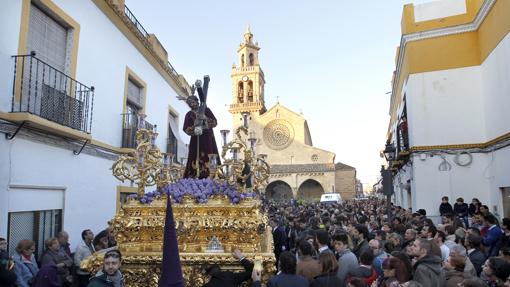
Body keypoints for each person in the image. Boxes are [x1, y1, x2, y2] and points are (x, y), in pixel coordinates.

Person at [182, 95, 221, 179]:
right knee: (194, 156)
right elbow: (185, 128)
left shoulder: (206, 110)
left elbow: (214, 122)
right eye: (189, 103)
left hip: (207, 138)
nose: (191, 104)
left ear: (197, 101)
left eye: (193, 102)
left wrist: (205, 118)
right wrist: (193, 128)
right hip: (195, 139)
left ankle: (212, 176)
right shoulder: (189, 114)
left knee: (209, 155)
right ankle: (193, 176)